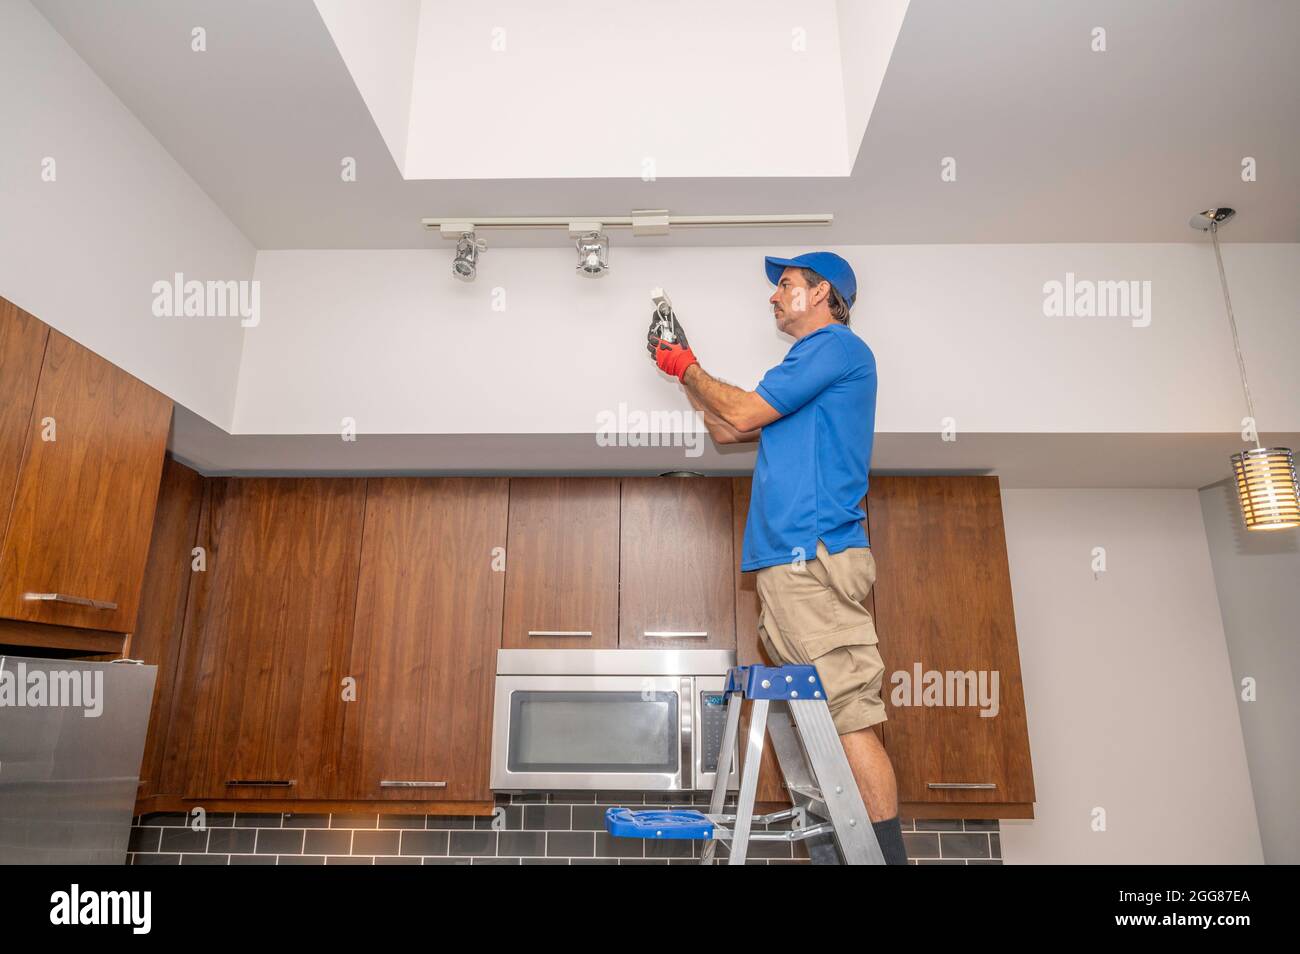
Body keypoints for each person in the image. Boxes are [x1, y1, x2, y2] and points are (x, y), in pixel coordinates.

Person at [645, 251, 907, 865]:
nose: (772, 296)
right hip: (789, 565)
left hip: (809, 557)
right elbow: (728, 431)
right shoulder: (804, 373)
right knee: (827, 718)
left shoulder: (836, 347)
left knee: (848, 717)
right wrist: (683, 374)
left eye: (785, 285)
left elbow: (739, 411)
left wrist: (690, 365)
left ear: (822, 295)